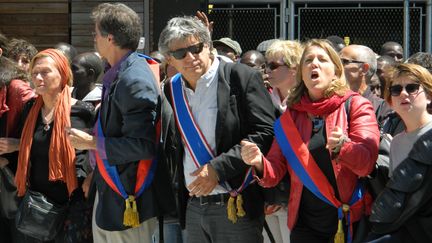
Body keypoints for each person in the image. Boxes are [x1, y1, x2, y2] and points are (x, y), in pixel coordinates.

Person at [241, 39, 380, 243]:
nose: (314, 64)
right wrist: (258, 163)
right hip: (304, 226)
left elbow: (366, 165)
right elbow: (273, 173)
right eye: (308, 60)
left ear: (335, 69)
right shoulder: (291, 116)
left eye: (322, 59)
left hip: (347, 220)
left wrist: (344, 147)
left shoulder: (356, 105)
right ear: (301, 73)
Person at [159, 16, 275, 243]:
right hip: (193, 206)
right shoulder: (171, 90)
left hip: (235, 203)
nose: (191, 57)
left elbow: (264, 132)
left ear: (208, 45)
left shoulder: (241, 77)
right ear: (169, 59)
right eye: (181, 53)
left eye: (196, 48)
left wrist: (217, 169)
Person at [66, 3, 174, 243]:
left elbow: (143, 145)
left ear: (110, 37)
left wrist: (93, 143)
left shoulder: (134, 79)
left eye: (96, 33)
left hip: (130, 198)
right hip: (111, 199)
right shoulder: (119, 72)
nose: (93, 38)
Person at [0, 48, 94, 243]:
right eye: (35, 73)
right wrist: (18, 145)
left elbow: (93, 155)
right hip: (36, 205)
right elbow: (29, 147)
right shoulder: (30, 109)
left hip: (70, 204)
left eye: (45, 72)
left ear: (63, 74)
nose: (38, 77)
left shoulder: (80, 111)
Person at [368, 63, 432, 243]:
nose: (403, 93)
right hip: (407, 230)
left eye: (412, 88)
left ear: (428, 96)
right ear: (390, 101)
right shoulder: (396, 143)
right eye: (396, 89)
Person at [340, 44, 391, 123]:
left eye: (344, 62)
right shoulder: (331, 103)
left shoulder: (382, 109)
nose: (337, 66)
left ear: (364, 69)